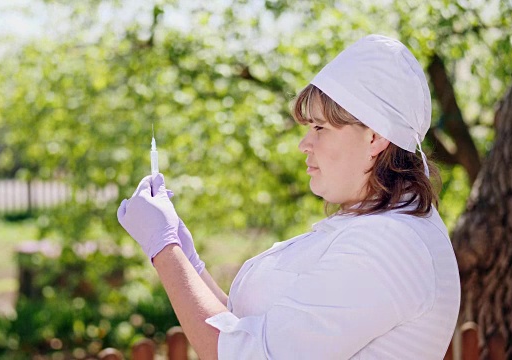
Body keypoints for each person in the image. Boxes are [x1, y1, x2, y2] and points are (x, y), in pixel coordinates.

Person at [117, 34, 460, 359]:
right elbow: (246, 334)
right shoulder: (372, 231)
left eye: (320, 128)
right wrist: (187, 257)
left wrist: (164, 249)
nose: (304, 144)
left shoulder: (390, 247)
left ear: (375, 137)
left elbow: (246, 356)